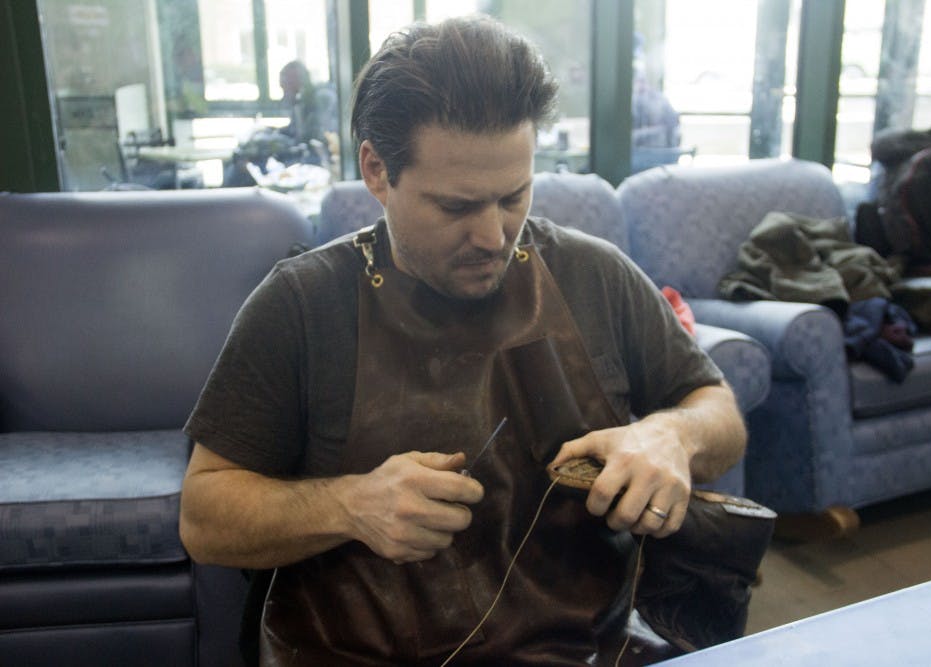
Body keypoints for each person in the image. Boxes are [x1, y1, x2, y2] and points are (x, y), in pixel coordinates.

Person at [180, 15, 746, 666]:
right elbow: (204, 515)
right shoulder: (303, 305)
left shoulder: (594, 275)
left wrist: (672, 435)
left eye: (514, 196)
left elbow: (717, 408)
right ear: (376, 170)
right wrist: (349, 505)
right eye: (455, 206)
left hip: (582, 649)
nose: (493, 235)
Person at [223, 60, 338, 187]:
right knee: (239, 163)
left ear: (296, 82)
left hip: (315, 161)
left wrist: (271, 141)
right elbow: (293, 131)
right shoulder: (301, 101)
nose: (283, 92)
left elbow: (308, 139)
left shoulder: (319, 100)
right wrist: (269, 131)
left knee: (243, 169)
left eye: (285, 85)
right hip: (302, 156)